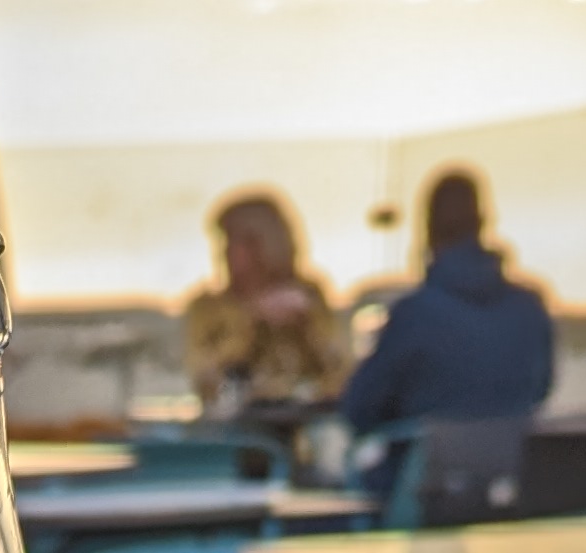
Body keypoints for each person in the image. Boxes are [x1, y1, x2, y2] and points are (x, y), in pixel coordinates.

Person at [339, 169, 556, 450]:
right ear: (482, 223)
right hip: (509, 467)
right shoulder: (530, 309)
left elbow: (360, 409)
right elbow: (540, 390)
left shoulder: (415, 315)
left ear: (428, 232)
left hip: (422, 471)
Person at [183, 195, 346, 413]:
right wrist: (250, 324)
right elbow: (204, 378)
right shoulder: (208, 307)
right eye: (226, 243)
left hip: (305, 416)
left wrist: (306, 328)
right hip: (238, 420)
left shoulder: (309, 295)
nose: (226, 252)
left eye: (242, 242)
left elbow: (339, 369)